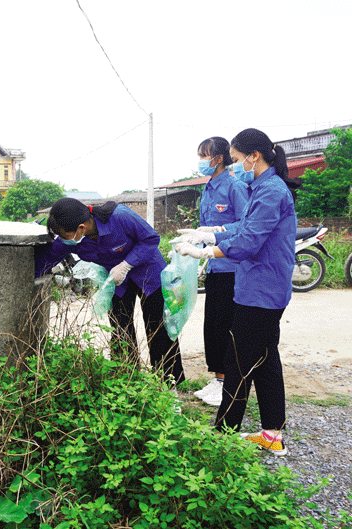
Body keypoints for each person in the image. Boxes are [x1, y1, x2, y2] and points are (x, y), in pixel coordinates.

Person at [175, 128, 296, 456]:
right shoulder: (263, 187)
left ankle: (223, 434)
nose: (236, 164)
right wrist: (212, 232)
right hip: (260, 288)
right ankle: (272, 434)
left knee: (241, 361)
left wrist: (204, 251)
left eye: (238, 159)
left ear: (254, 156)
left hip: (261, 289)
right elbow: (244, 226)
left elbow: (248, 241)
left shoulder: (271, 190)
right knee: (265, 360)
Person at [36, 198, 185, 385]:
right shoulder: (71, 240)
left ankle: (169, 385)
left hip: (149, 272)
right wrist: (27, 276)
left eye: (65, 235)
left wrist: (126, 264)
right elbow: (48, 259)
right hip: (116, 280)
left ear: (81, 227)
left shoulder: (120, 216)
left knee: (158, 328)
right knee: (120, 328)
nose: (64, 240)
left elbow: (151, 239)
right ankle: (126, 380)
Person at [191, 137, 249, 406]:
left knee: (225, 325)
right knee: (212, 326)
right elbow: (205, 224)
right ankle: (217, 379)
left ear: (219, 159)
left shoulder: (234, 186)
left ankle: (227, 382)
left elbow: (247, 224)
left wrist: (217, 232)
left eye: (205, 155)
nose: (202, 161)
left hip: (231, 267)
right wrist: (193, 240)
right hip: (213, 265)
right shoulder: (209, 188)